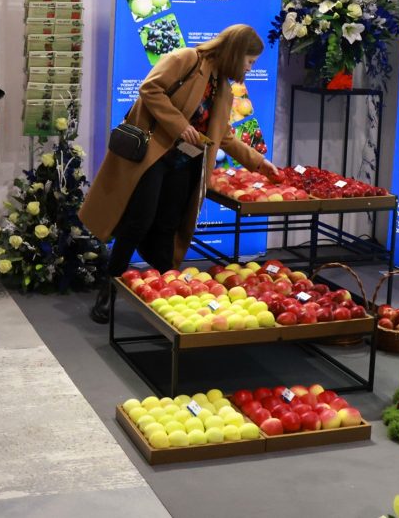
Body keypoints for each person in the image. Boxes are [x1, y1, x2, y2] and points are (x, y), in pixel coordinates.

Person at [80, 24, 280, 323]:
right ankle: (109, 288)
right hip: (152, 155)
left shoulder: (224, 87)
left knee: (169, 226)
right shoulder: (187, 59)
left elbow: (224, 136)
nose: (249, 68)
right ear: (235, 52)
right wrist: (179, 124)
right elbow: (150, 88)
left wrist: (260, 163)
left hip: (186, 161)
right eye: (249, 61)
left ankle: (168, 290)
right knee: (138, 221)